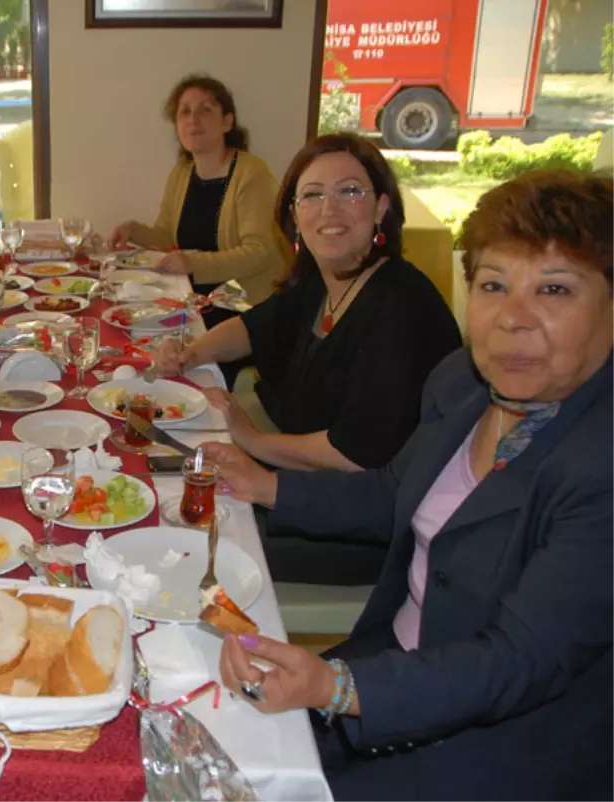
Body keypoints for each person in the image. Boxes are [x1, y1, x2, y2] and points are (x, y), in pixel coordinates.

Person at [211, 170, 614, 802]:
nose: (513, 319)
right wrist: (265, 485)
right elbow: (395, 491)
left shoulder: (600, 461)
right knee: (200, 734)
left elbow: (517, 660)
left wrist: (339, 688)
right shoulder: (464, 383)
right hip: (391, 666)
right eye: (493, 286)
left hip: (503, 745)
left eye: (555, 290)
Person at [155, 133, 461, 585]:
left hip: (361, 527)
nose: (329, 210)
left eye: (349, 191)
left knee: (179, 546)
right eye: (312, 195)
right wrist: (190, 352)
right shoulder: (328, 279)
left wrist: (254, 441)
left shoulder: (400, 307)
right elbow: (256, 326)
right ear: (294, 215)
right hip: (311, 486)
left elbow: (356, 454)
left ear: (380, 208)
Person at [108, 75, 290, 331]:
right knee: (126, 321)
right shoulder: (182, 174)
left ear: (227, 121)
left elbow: (260, 252)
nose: (193, 120)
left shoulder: (252, 173)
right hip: (196, 300)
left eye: (205, 110)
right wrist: (134, 230)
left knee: (163, 342)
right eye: (185, 112)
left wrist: (194, 264)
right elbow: (168, 237)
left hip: (247, 309)